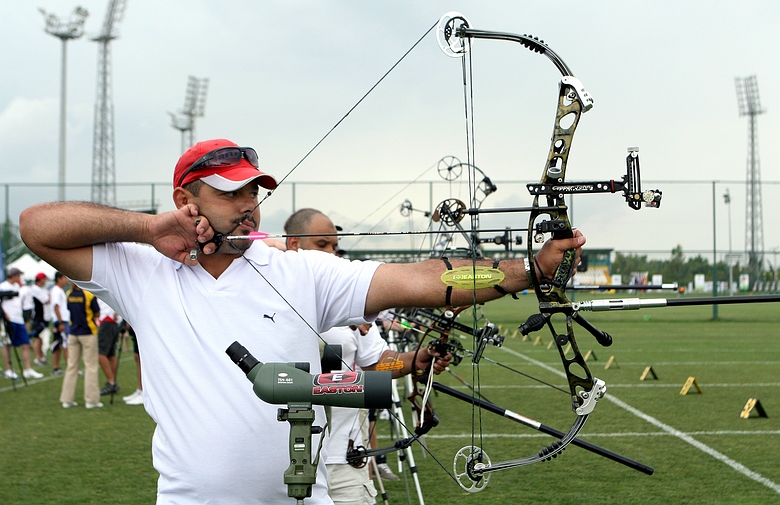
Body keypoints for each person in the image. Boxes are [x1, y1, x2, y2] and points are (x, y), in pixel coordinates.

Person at [19, 138, 584, 504]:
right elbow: (37, 226)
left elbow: (425, 280)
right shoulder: (142, 270)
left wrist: (526, 270)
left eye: (254, 192)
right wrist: (149, 230)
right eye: (228, 192)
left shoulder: (300, 272)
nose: (248, 206)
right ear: (184, 199)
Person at [284, 208, 445, 503]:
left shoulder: (350, 307)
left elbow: (380, 364)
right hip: (285, 461)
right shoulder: (269, 299)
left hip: (345, 459)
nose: (332, 253)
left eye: (334, 246)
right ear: (294, 244)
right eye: (322, 245)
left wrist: (417, 358)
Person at [60, 284, 102, 409]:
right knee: (91, 366)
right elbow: (97, 313)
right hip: (88, 333)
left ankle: (66, 399)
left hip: (73, 333)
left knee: (71, 366)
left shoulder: (69, 293)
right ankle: (91, 400)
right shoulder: (88, 294)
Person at [1, 267, 44, 380]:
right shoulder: (3, 286)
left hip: (19, 319)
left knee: (26, 344)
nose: (20, 278)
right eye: (18, 276)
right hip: (9, 320)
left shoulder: (17, 287)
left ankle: (27, 369)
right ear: (14, 276)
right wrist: (5, 315)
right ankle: (9, 369)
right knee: (8, 345)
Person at [96, 298, 122, 396]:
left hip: (107, 318)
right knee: (111, 353)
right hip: (112, 320)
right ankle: (113, 381)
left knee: (100, 353)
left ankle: (111, 382)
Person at [49, 272, 70, 376]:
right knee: (66, 344)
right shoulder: (57, 291)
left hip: (60, 320)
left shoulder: (58, 290)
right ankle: (70, 369)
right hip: (61, 321)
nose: (66, 280)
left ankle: (56, 367)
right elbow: (56, 307)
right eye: (64, 277)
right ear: (59, 279)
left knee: (59, 345)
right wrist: (61, 322)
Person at [30, 272, 52, 367]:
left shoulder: (41, 289)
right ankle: (37, 358)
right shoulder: (35, 289)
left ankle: (41, 357)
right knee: (37, 338)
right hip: (39, 317)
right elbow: (46, 300)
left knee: (41, 337)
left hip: (44, 316)